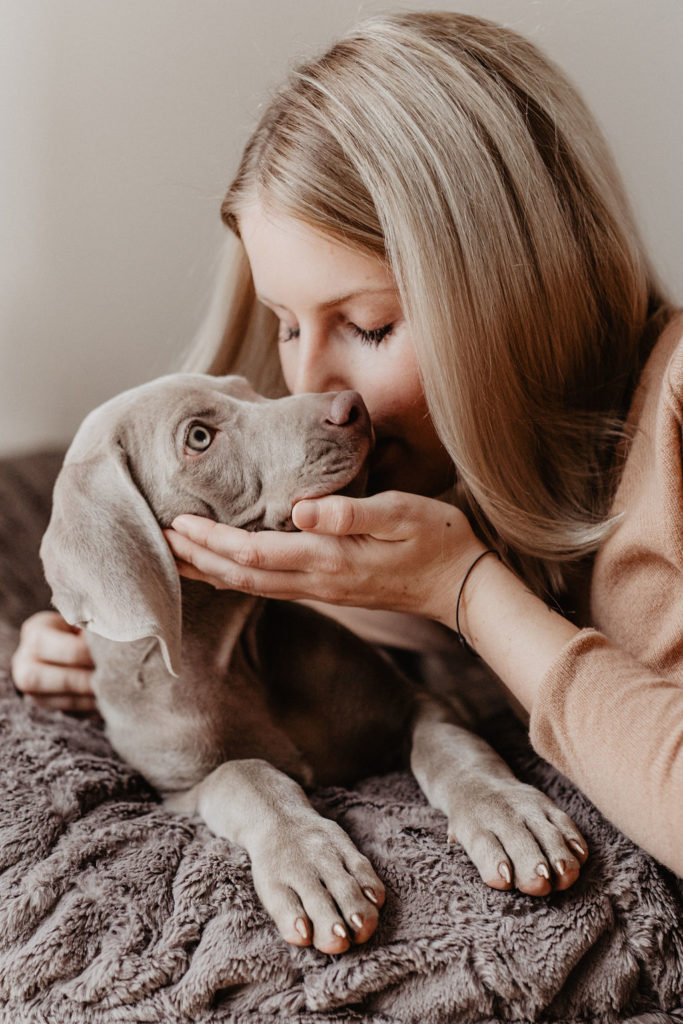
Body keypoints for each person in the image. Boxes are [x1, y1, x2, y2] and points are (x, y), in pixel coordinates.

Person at [12, 11, 682, 879]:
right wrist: (107, 637)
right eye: (287, 326)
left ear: (519, 296)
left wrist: (469, 590)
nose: (313, 389)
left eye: (367, 326)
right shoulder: (444, 493)